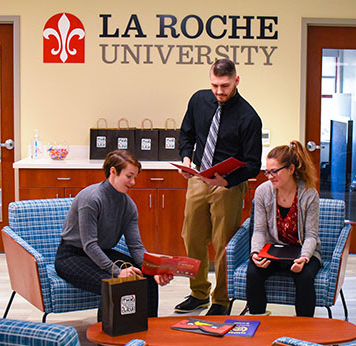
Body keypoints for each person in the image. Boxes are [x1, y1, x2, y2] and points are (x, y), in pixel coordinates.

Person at [175, 58, 262, 315]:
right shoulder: (198, 100)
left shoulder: (249, 117)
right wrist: (186, 158)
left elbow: (253, 164)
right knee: (190, 236)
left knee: (223, 243)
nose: (219, 91)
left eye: (224, 85)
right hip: (198, 177)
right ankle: (198, 292)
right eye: (214, 85)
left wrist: (226, 180)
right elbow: (187, 134)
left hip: (228, 184)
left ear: (236, 80)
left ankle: (221, 299)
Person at [55, 150, 173, 321]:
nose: (133, 182)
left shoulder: (128, 206)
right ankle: (106, 338)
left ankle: (148, 330)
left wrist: (153, 271)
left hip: (101, 252)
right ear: (113, 171)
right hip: (71, 256)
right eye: (129, 176)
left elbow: (136, 246)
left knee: (147, 277)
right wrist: (117, 272)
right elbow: (89, 245)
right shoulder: (91, 198)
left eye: (135, 177)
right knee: (112, 283)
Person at [247, 140, 322, 317]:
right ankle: (258, 321)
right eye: (267, 171)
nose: (270, 176)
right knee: (253, 272)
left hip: (302, 251)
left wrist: (304, 258)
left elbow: (311, 235)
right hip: (274, 250)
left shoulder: (309, 194)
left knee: (305, 277)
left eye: (274, 171)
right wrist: (255, 253)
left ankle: (304, 329)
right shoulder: (263, 192)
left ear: (291, 169)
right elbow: (259, 230)